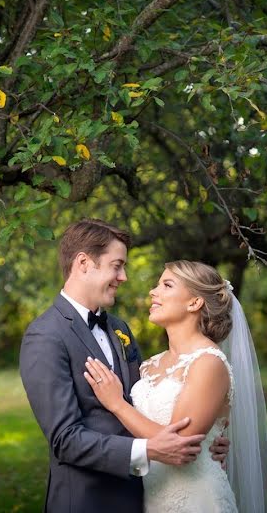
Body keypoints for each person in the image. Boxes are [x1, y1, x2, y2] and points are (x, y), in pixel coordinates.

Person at [19, 220, 229, 513]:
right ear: (83, 264)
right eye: (117, 266)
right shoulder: (45, 335)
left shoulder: (119, 329)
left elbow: (144, 401)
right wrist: (148, 450)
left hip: (145, 496)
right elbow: (64, 439)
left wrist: (207, 441)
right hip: (88, 500)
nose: (124, 277)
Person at [83, 260, 267, 513]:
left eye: (167, 285)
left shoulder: (209, 363)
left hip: (197, 500)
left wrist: (117, 404)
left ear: (194, 303)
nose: (153, 291)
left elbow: (177, 446)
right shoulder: (149, 364)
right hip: (148, 497)